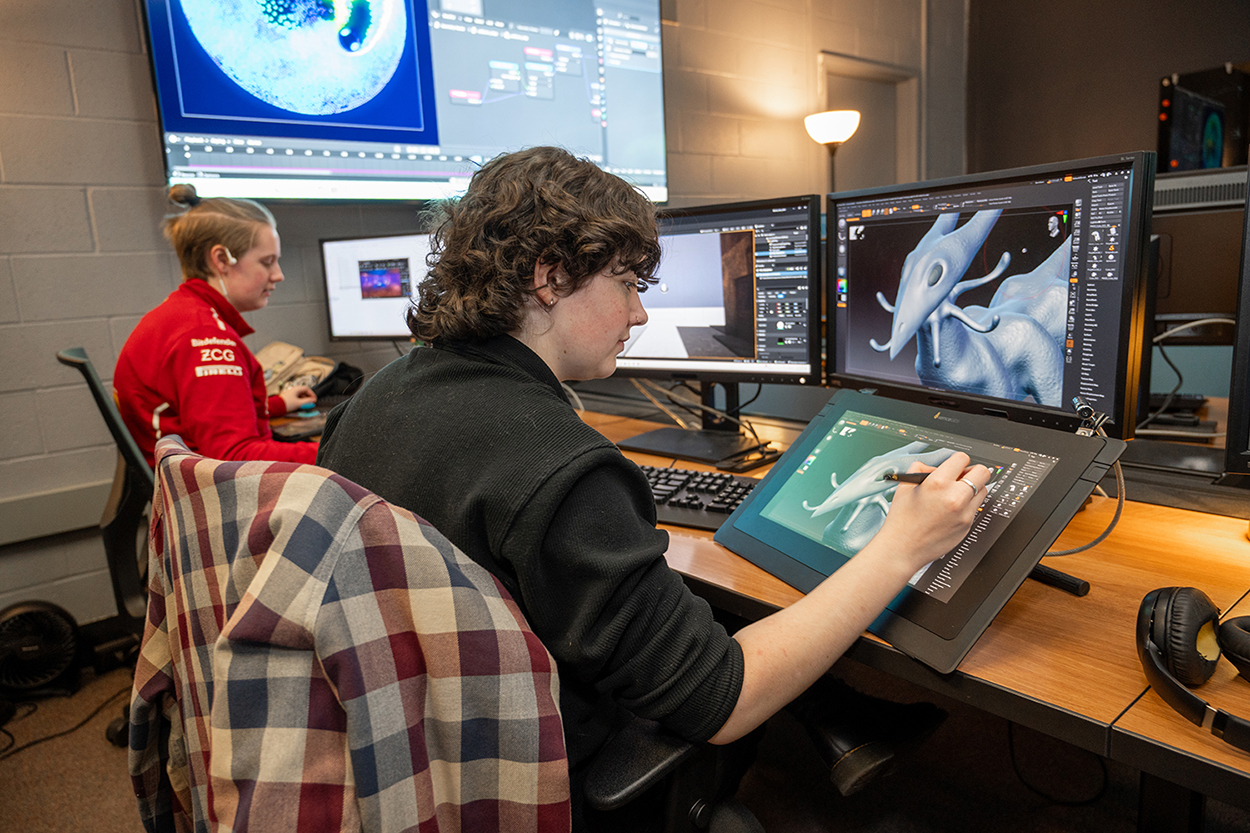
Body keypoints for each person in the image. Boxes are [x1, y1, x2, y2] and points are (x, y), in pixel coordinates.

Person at [315, 146, 990, 825]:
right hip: (547, 780)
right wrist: (902, 545)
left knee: (710, 607)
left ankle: (845, 723)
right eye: (627, 283)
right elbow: (723, 699)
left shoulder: (369, 403)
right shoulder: (559, 466)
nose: (638, 314)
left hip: (410, 745)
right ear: (550, 277)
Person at [114, 184, 318, 468]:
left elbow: (204, 413)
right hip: (207, 499)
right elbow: (235, 457)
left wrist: (278, 404)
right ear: (221, 259)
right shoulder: (205, 338)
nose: (278, 275)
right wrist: (334, 451)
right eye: (267, 262)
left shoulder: (182, 315)